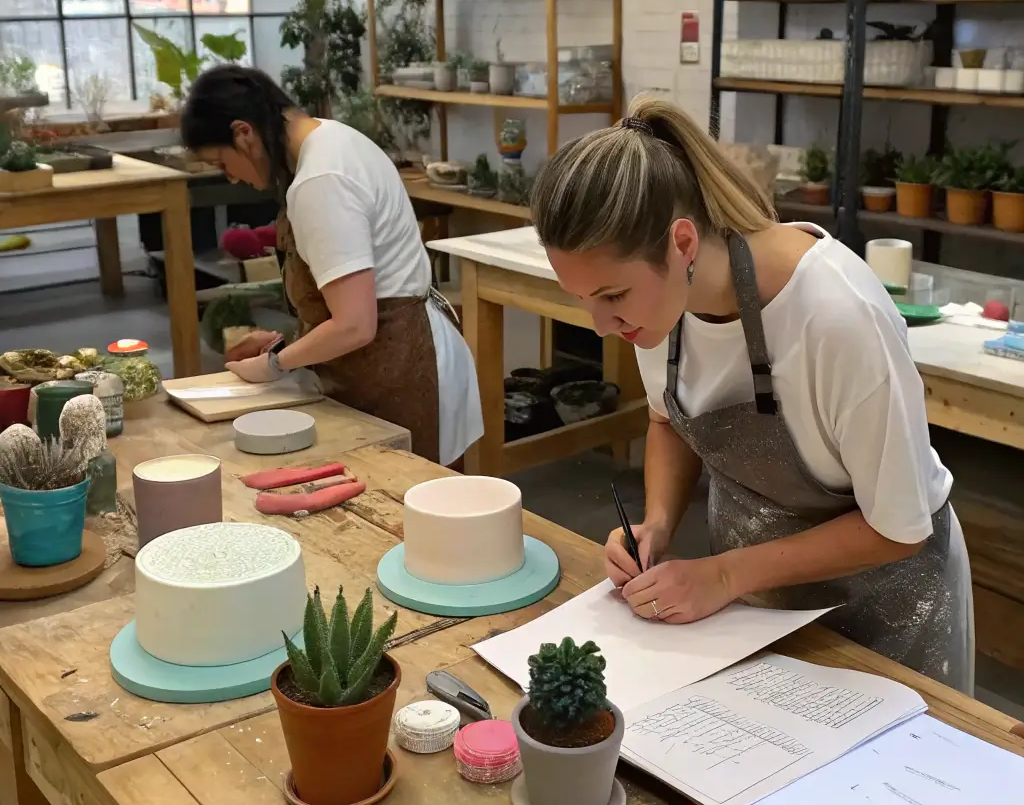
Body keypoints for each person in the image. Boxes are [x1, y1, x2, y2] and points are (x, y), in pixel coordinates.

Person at [531, 93, 973, 692]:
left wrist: (723, 576)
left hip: (889, 607)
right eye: (582, 299)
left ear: (682, 244)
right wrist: (657, 525)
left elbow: (897, 527)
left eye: (610, 297)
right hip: (750, 605)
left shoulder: (836, 315)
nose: (600, 324)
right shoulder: (656, 309)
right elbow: (669, 419)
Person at [181, 65, 482, 465]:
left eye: (222, 164)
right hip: (394, 353)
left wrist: (273, 365)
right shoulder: (331, 138)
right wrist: (288, 344)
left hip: (399, 368)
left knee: (407, 510)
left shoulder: (321, 179)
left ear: (244, 133)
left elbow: (355, 323)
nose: (232, 179)